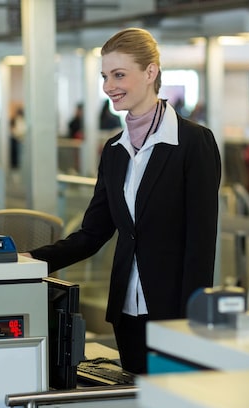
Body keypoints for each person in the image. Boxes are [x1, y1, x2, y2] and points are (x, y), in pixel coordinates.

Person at [26, 27, 221, 374]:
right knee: (132, 400)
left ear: (150, 72)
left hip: (173, 312)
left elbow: (201, 243)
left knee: (174, 399)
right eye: (105, 76)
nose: (108, 86)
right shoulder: (115, 150)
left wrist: (191, 321)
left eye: (118, 75)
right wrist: (30, 258)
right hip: (126, 310)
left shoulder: (193, 143)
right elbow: (93, 233)